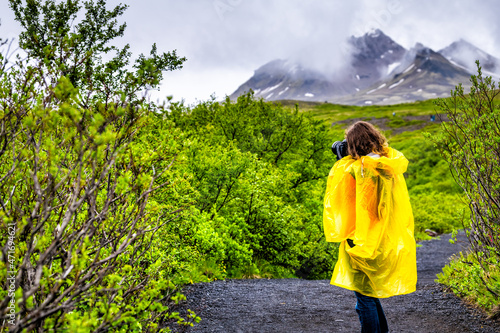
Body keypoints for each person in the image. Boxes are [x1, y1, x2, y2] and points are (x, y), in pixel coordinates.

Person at [323, 121, 417, 333]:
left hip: (362, 238)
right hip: (383, 236)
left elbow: (346, 203)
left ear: (354, 144)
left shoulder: (361, 169)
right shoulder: (387, 163)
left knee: (363, 297)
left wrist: (341, 162)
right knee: (369, 293)